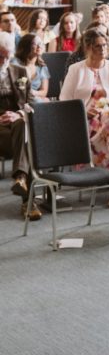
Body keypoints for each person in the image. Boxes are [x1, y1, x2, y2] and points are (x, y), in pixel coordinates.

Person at [60, 28, 109, 206]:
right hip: (84, 120)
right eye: (98, 46)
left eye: (105, 45)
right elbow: (65, 99)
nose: (103, 49)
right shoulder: (76, 69)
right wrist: (83, 111)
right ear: (88, 47)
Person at [0, 31, 38, 220]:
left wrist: (19, 113)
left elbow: (32, 103)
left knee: (23, 128)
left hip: (16, 124)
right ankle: (28, 201)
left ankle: (21, 179)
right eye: (0, 57)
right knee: (26, 143)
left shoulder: (20, 71)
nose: (3, 61)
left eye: (6, 57)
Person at [13, 33, 50, 101]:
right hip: (18, 98)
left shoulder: (42, 66)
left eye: (41, 43)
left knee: (43, 100)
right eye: (35, 43)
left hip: (34, 97)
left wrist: (32, 92)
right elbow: (19, 87)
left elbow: (44, 92)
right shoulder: (16, 63)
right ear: (26, 46)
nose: (39, 46)